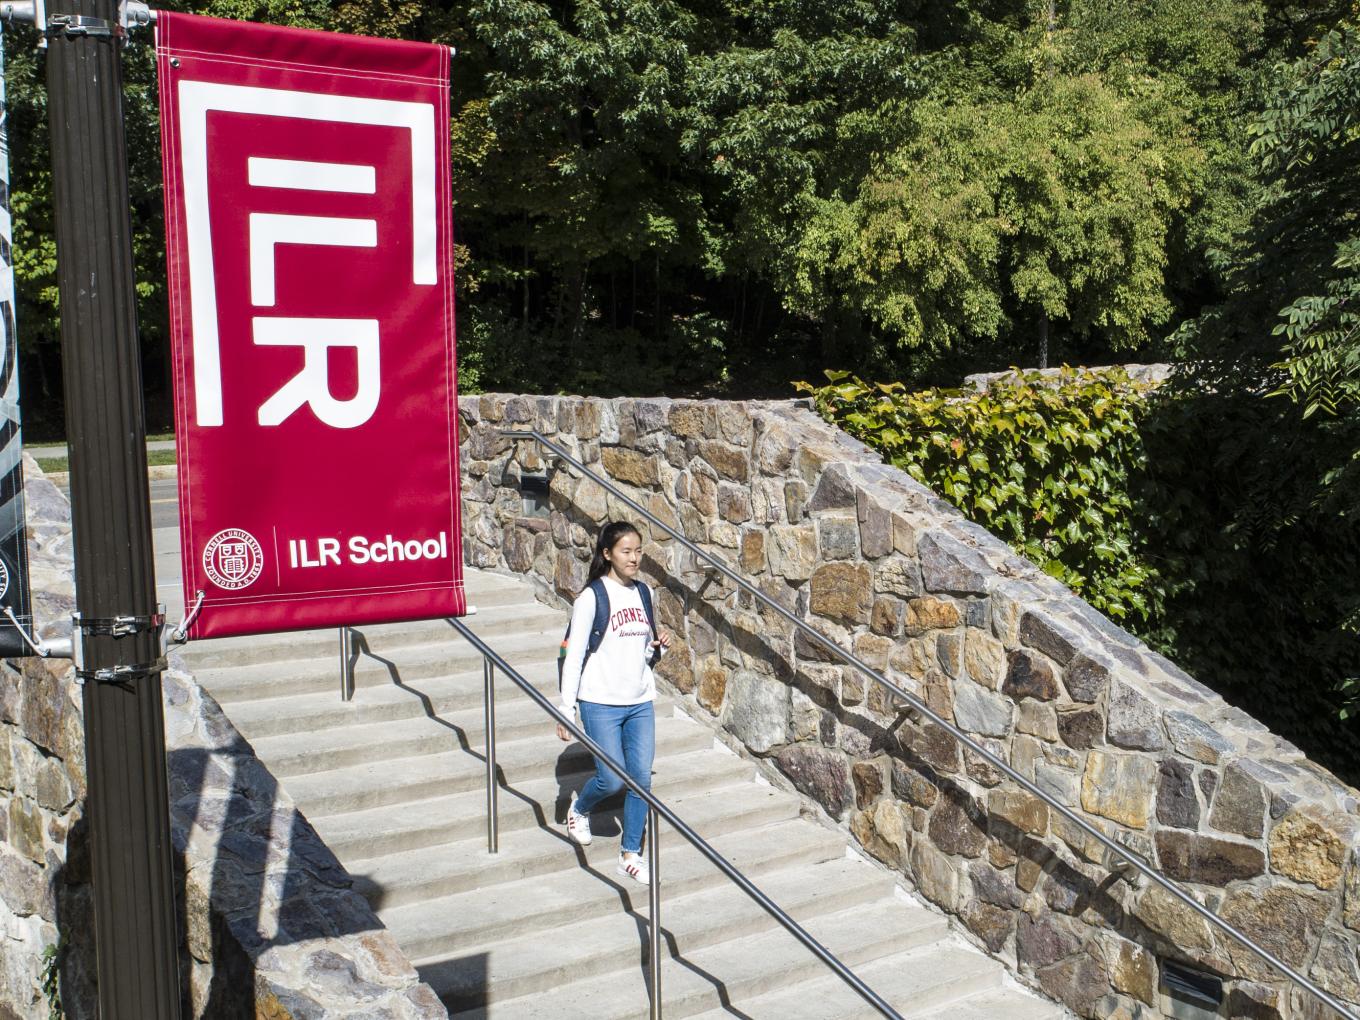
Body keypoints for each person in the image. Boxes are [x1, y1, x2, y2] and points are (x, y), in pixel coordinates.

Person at [557, 521, 671, 885]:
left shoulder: (645, 594)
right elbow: (574, 656)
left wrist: (659, 649)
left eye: (638, 550)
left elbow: (644, 650)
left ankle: (630, 854)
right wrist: (565, 708)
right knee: (612, 779)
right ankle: (580, 807)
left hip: (639, 700)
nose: (634, 557)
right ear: (607, 554)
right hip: (599, 701)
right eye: (626, 551)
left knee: (640, 780)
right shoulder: (591, 597)